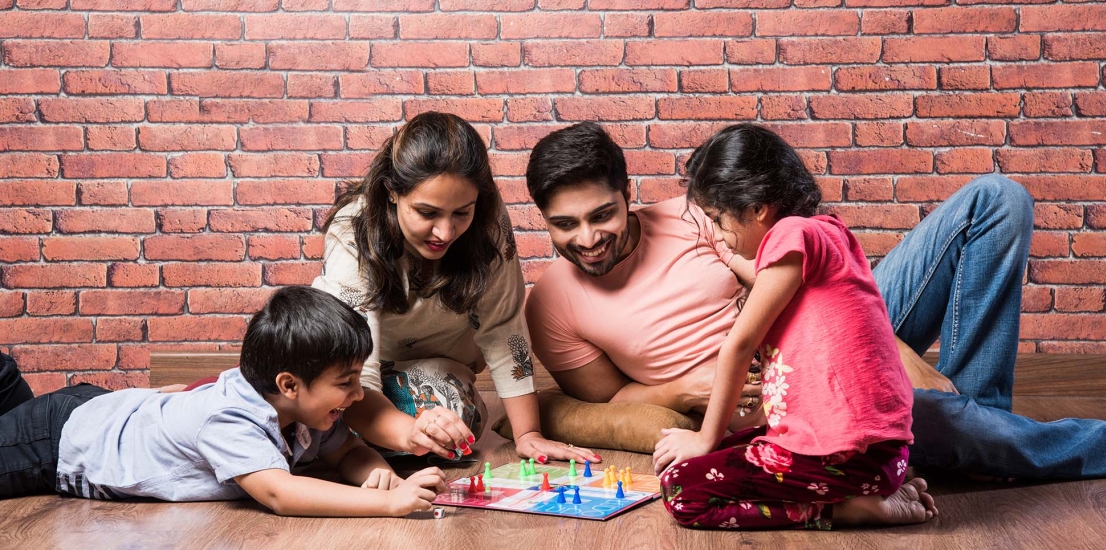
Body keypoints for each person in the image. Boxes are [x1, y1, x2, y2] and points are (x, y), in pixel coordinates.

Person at [524, 121, 1106, 482]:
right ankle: (1082, 442)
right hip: (785, 390)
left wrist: (900, 352)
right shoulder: (551, 301)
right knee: (949, 424)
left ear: (627, 193)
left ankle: (981, 419)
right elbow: (606, 401)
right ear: (543, 221)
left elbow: (813, 277)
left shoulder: (695, 215)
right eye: (564, 225)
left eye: (600, 214)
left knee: (996, 201)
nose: (587, 239)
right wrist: (688, 391)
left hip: (824, 321)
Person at [652, 124, 935, 529]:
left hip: (851, 458)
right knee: (719, 455)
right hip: (878, 457)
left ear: (757, 208)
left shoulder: (792, 234)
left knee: (681, 488)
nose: (717, 234)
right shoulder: (827, 233)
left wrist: (702, 439)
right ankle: (866, 492)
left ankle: (846, 508)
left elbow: (739, 344)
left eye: (717, 219)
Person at [0, 286, 448, 517]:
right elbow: (280, 492)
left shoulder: (311, 411)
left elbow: (349, 450)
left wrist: (383, 478)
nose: (358, 394)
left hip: (105, 410)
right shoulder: (230, 418)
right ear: (289, 385)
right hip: (58, 440)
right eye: (346, 381)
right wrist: (389, 504)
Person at [314, 111, 597, 465]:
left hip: (441, 368)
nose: (445, 232)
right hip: (359, 369)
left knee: (449, 412)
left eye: (461, 213)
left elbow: (503, 326)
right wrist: (406, 430)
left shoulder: (488, 225)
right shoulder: (353, 231)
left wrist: (528, 435)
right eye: (427, 213)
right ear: (391, 192)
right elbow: (352, 363)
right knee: (323, 409)